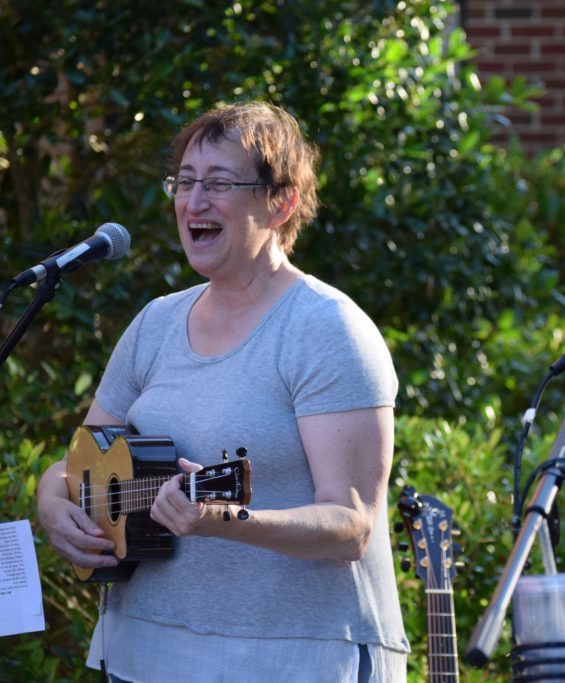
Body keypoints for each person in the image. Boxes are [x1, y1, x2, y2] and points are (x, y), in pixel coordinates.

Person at [36, 102, 408, 681]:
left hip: (291, 657)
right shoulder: (155, 325)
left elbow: (351, 524)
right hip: (142, 650)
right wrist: (50, 504)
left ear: (280, 202)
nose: (193, 201)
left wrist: (225, 519)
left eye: (217, 183)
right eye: (184, 183)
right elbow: (79, 464)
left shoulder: (327, 329)